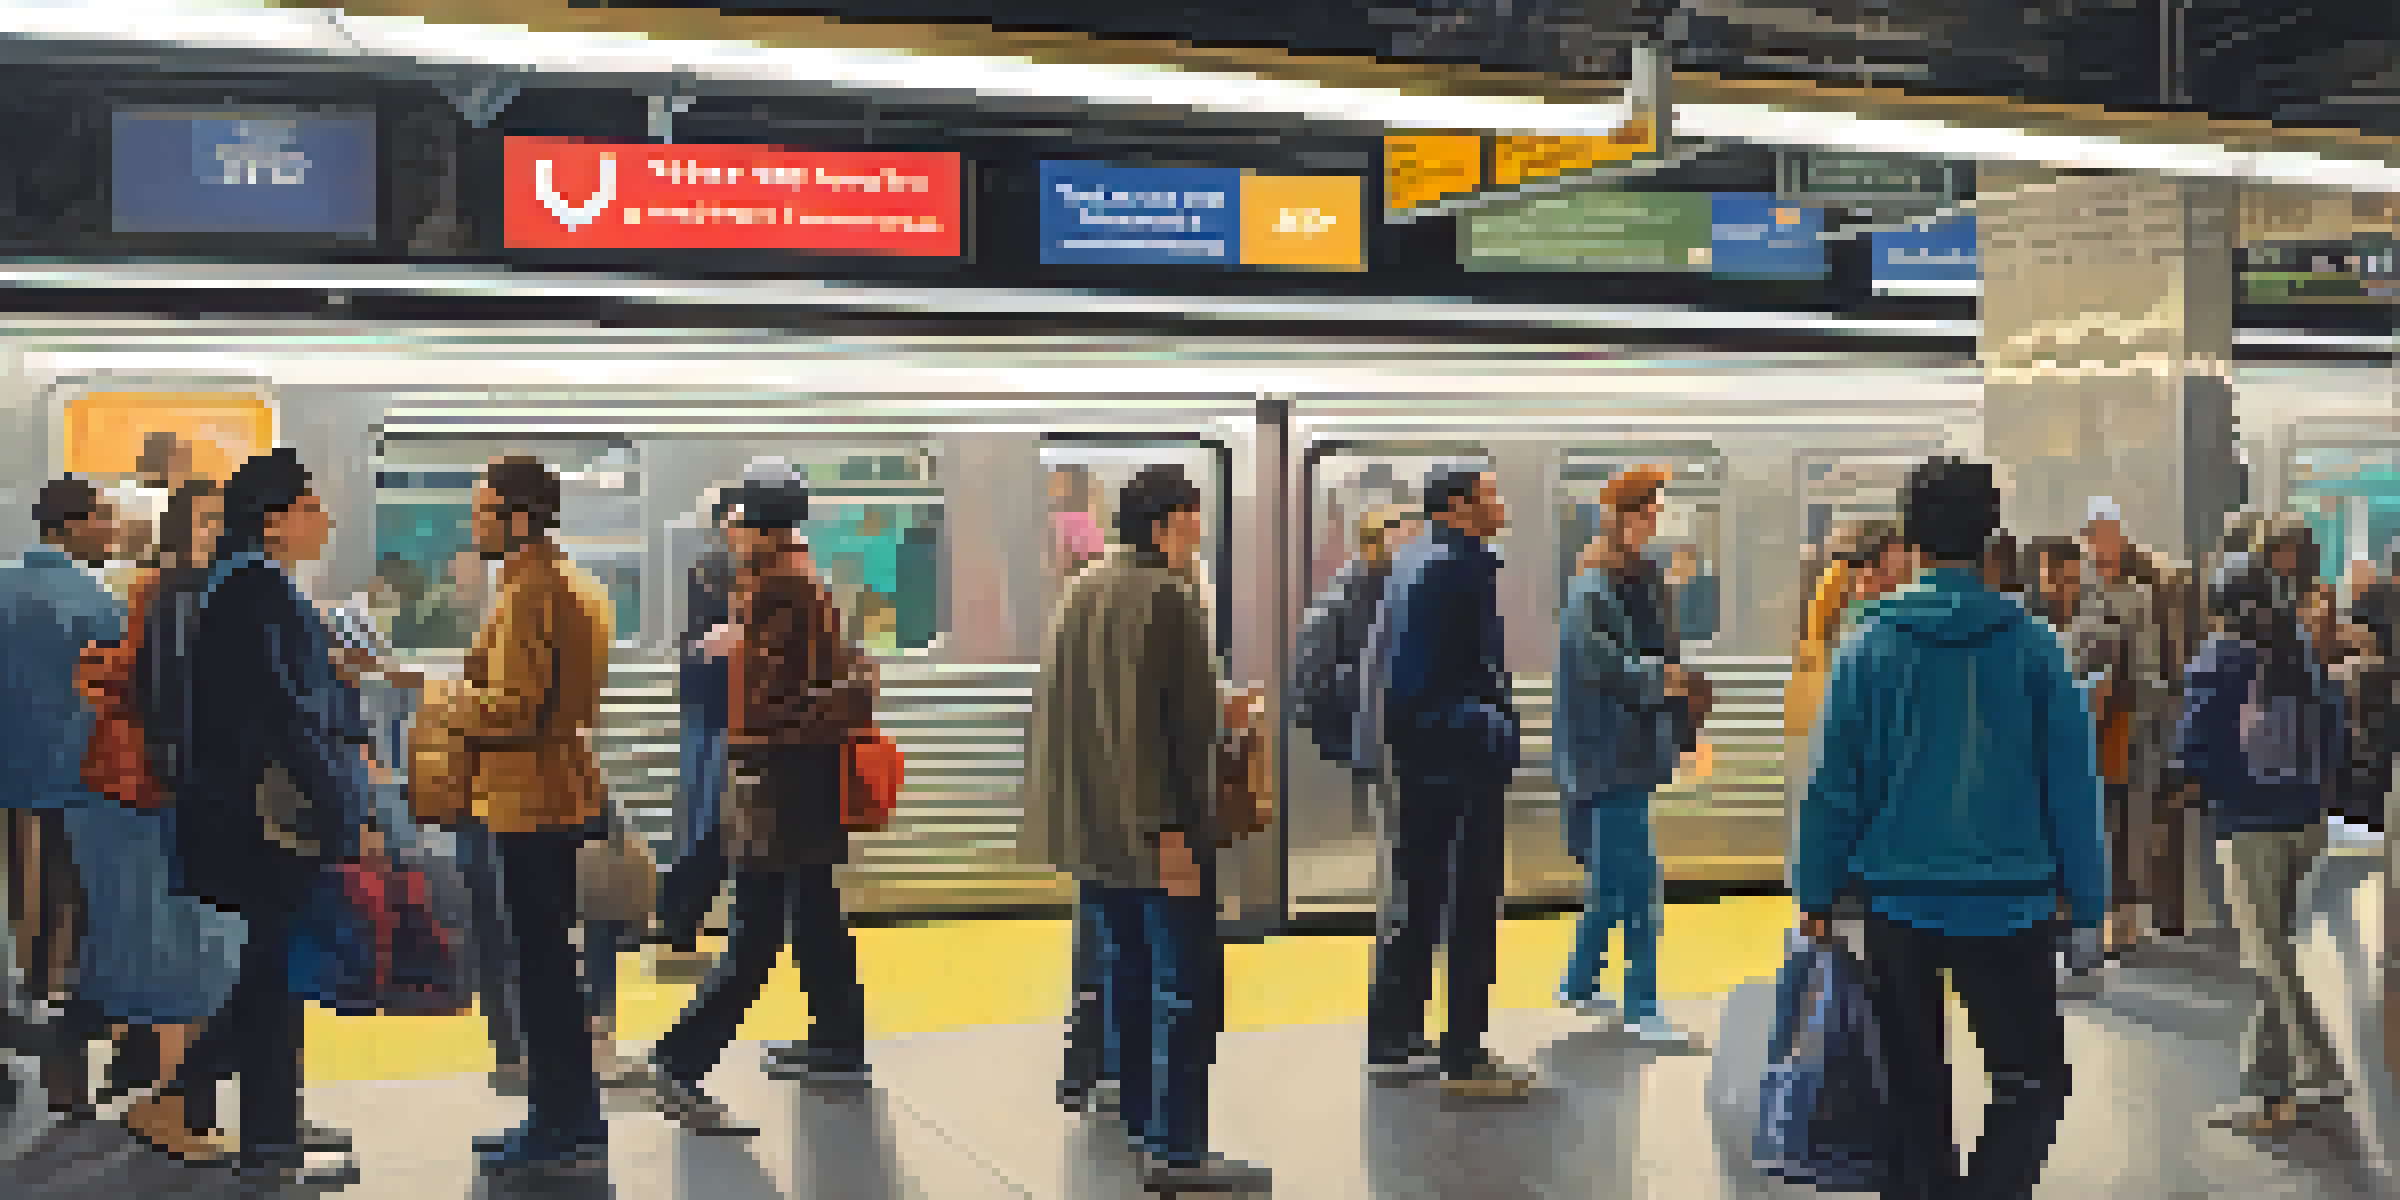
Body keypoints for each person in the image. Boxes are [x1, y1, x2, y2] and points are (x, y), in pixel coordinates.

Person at [1794, 456, 2105, 1200]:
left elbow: (1834, 785)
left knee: (1910, 1092)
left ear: (1909, 535)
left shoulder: (1869, 646)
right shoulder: (2033, 647)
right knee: (2031, 1082)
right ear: (1992, 535)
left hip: (1896, 904)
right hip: (2013, 903)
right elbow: (2072, 786)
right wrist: (2088, 905)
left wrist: (1815, 887)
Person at [1020, 465, 1270, 1191]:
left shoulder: (1086, 587)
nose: (1200, 531)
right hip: (1156, 835)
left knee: (1124, 977)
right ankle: (1178, 1149)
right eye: (1193, 517)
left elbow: (1106, 711)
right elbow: (1140, 734)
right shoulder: (1165, 596)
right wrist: (1169, 837)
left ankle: (1138, 1124)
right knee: (1188, 985)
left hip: (1097, 838)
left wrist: (1210, 710)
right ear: (1164, 523)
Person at [635, 477, 878, 1137]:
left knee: (759, 928)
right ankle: (838, 1044)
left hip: (780, 782)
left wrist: (735, 650)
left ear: (763, 523)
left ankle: (678, 1062)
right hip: (801, 781)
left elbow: (776, 702)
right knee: (816, 914)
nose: (729, 525)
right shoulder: (790, 579)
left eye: (738, 516)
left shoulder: (780, 587)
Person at [169, 449, 369, 1187]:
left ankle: (270, 1133)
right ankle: (254, 1140)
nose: (326, 519)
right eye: (312, 507)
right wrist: (342, 807)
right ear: (275, 520)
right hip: (264, 818)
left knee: (275, 972)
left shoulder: (246, 586)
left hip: (249, 811)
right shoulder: (257, 590)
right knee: (272, 976)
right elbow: (285, 715)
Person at [411, 455, 615, 1174]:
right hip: (556, 792)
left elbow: (516, 708)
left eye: (485, 513)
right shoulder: (574, 583)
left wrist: (439, 696)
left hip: (528, 801)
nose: (475, 527)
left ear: (521, 517)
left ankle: (563, 1125)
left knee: (541, 968)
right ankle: (567, 1118)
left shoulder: (531, 592)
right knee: (552, 964)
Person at [59, 479, 247, 1163]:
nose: (214, 534)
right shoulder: (163, 595)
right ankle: (172, 1107)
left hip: (157, 794)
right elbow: (162, 694)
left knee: (191, 945)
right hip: (161, 796)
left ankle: (176, 1101)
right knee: (184, 948)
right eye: (204, 523)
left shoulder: (191, 595)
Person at [1361, 465, 1528, 1098]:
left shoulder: (1414, 560)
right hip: (1455, 762)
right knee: (1469, 907)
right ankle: (1464, 1052)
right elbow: (1422, 687)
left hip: (1426, 761)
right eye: (1490, 493)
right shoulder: (1452, 568)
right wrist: (1492, 728)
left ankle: (1394, 1039)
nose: (1500, 504)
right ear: (1460, 506)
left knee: (1418, 900)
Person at [2173, 560, 2350, 1137]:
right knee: (2281, 954)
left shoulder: (2220, 658)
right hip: (2307, 821)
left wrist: (2186, 785)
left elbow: (2194, 744)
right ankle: (2266, 1097)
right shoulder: (2301, 655)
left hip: (2247, 826)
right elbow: (2337, 734)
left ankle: (2322, 1068)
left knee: (2268, 959)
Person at [1552, 466, 1709, 1048]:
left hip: (1616, 752)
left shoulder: (1621, 582)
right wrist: (1665, 682)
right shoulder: (1594, 589)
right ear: (1618, 517)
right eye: (1645, 512)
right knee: (1638, 881)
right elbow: (1603, 669)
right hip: (1609, 756)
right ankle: (1643, 1005)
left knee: (1613, 878)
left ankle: (1579, 980)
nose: (1652, 522)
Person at [0, 477, 123, 1121]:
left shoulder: (1, 587)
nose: (113, 531)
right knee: (66, 929)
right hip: (74, 789)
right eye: (105, 519)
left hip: (8, 786)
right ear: (71, 525)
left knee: (23, 921)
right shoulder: (95, 601)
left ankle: (30, 1047)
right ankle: (64, 1081)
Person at [650, 483, 743, 960]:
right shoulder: (724, 570)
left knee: (705, 818)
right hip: (720, 712)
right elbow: (703, 644)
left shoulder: (711, 569)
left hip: (710, 709)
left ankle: (679, 914)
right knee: (710, 820)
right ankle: (680, 914)